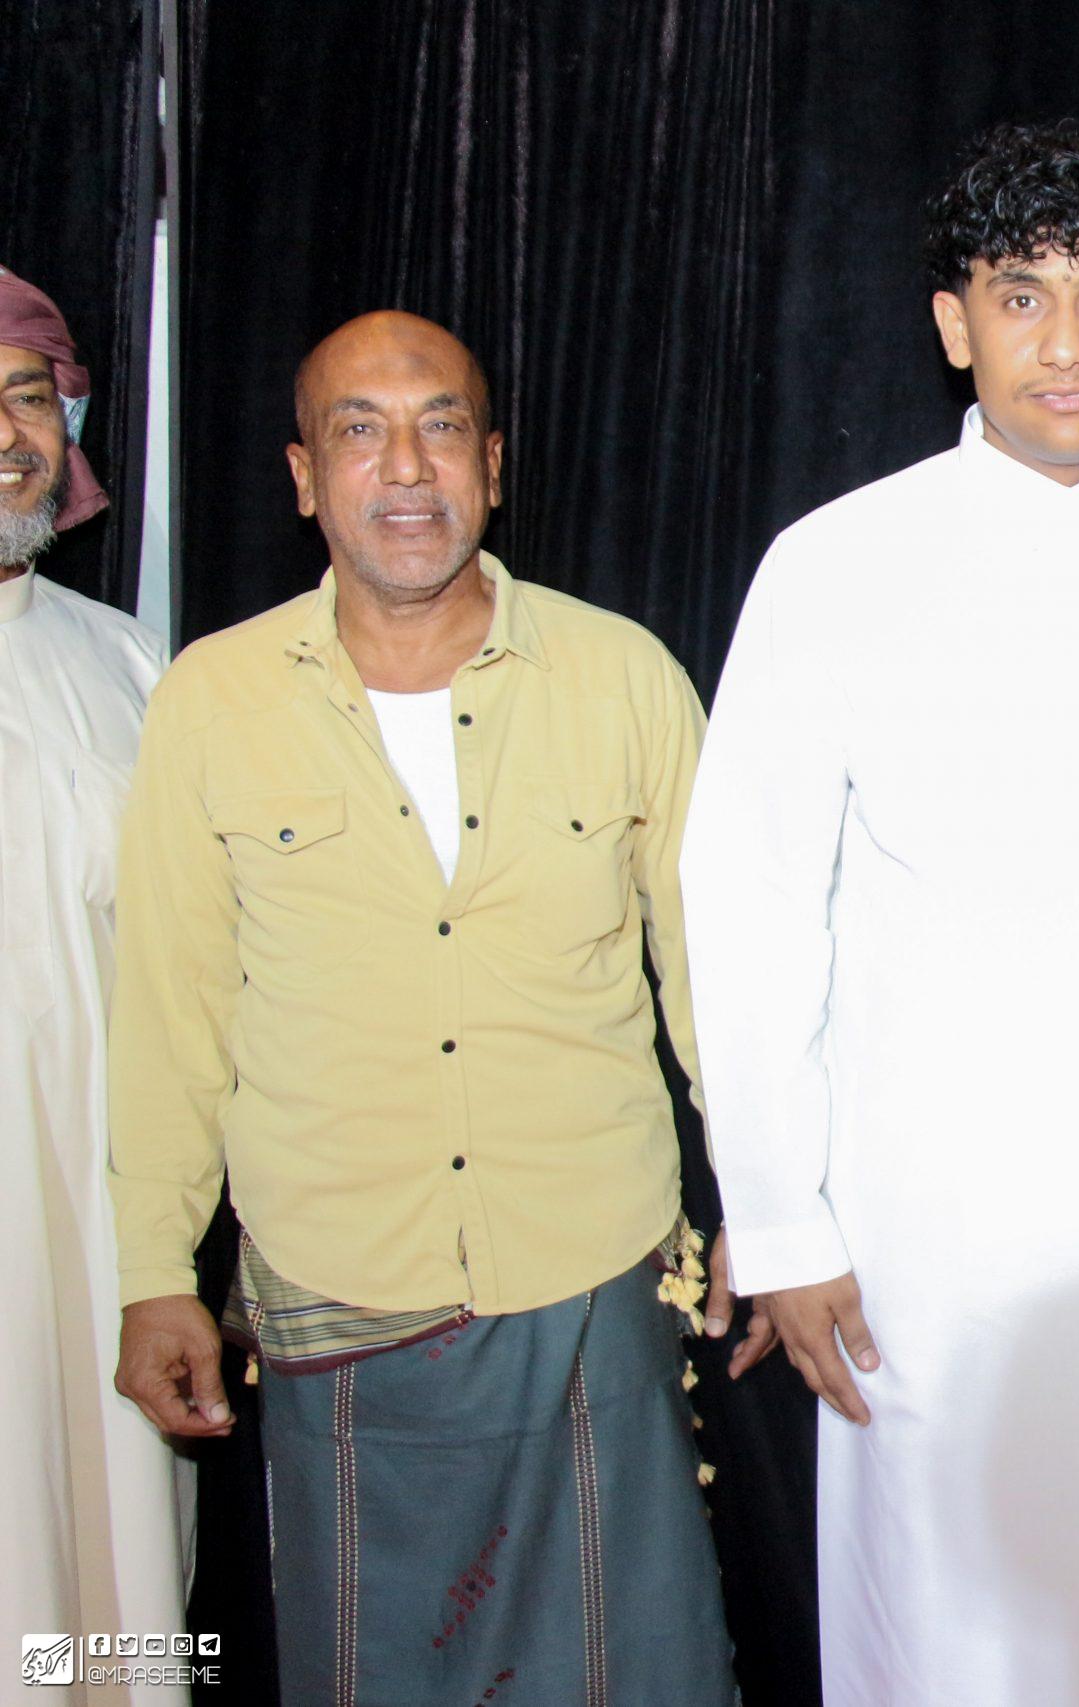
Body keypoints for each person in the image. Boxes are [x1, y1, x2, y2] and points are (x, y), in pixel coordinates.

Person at [680, 120, 1079, 1706]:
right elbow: (750, 903)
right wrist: (782, 1221)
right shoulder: (835, 565)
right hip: (926, 1250)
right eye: (1020, 296)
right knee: (948, 1638)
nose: (1064, 342)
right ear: (952, 323)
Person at [107, 311, 735, 1704]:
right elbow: (170, 1013)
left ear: (492, 465)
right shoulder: (212, 700)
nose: (405, 467)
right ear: (301, 476)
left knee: (636, 1667)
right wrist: (154, 1270)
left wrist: (766, 1194)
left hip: (591, 1274)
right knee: (379, 1669)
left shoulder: (624, 675)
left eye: (441, 426)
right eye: (360, 431)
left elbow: (718, 978)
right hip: (341, 1287)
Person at [0, 267, 190, 1703]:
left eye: (29, 398)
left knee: (107, 1585)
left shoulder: (132, 667)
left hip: (104, 1231)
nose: (8, 435)